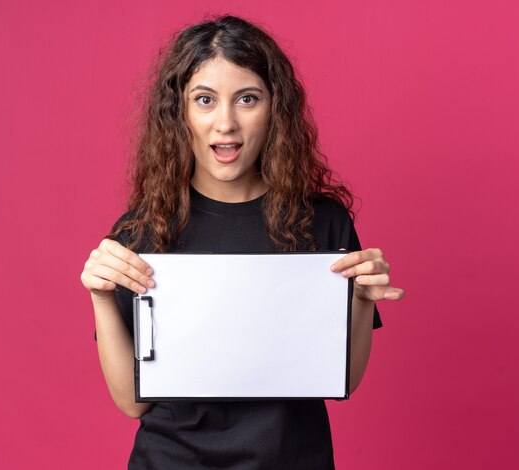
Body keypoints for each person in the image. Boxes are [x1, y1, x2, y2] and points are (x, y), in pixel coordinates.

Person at [80, 14, 404, 469]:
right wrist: (99, 296)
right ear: (180, 113)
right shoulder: (142, 228)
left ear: (276, 109)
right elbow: (134, 403)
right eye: (205, 100)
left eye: (247, 99)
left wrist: (362, 301)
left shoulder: (321, 223)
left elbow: (342, 383)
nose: (226, 123)